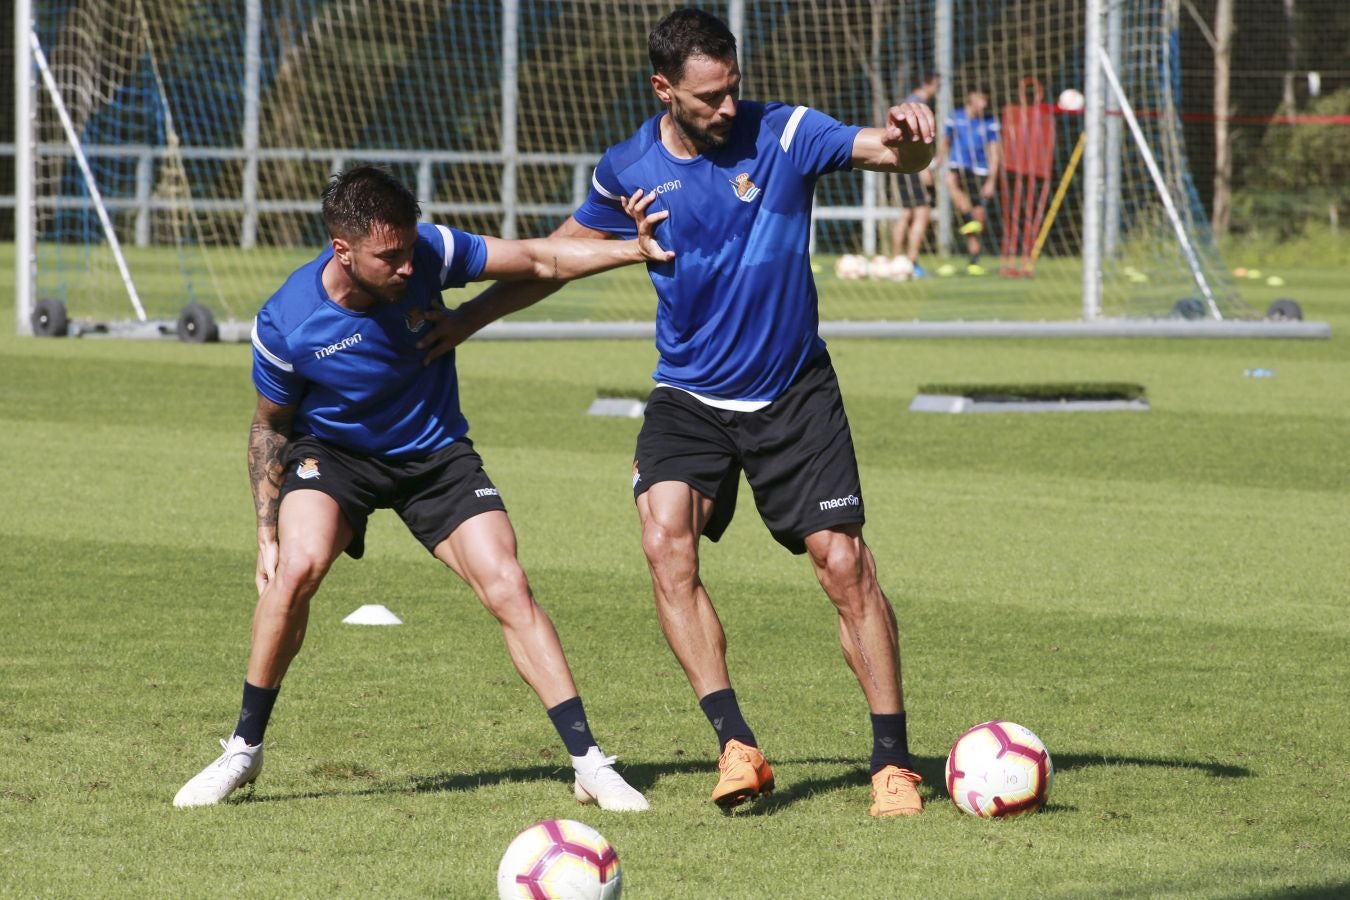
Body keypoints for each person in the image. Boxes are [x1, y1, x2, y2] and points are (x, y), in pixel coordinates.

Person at [418, 8, 935, 818]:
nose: (728, 108)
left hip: (793, 388)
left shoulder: (788, 132)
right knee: (664, 541)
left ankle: (893, 761)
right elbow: (555, 260)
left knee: (842, 565)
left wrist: (917, 135)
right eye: (708, 97)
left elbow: (893, 153)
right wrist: (463, 322)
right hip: (690, 394)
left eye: (733, 89)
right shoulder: (626, 168)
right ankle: (736, 745)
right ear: (663, 89)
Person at [172, 165, 673, 810]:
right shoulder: (289, 323)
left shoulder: (429, 249)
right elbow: (270, 427)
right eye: (390, 257)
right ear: (342, 251)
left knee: (508, 583)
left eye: (410, 248)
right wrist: (265, 533)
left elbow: (540, 258)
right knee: (296, 570)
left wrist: (631, 249)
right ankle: (243, 750)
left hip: (435, 455)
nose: (408, 266)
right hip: (336, 455)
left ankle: (588, 762)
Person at [940, 84, 1001, 275]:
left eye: (986, 100)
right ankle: (967, 218)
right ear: (971, 96)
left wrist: (992, 180)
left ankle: (973, 261)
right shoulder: (955, 116)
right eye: (981, 99)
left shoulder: (989, 121)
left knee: (978, 216)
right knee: (949, 180)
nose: (984, 104)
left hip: (980, 170)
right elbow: (945, 141)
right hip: (958, 164)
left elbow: (994, 151)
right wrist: (938, 159)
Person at [889, 71, 940, 277]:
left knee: (907, 212)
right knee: (921, 212)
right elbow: (915, 140)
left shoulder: (908, 102)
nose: (939, 89)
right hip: (912, 166)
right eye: (937, 84)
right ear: (928, 83)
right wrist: (924, 169)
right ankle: (910, 262)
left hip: (902, 163)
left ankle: (897, 261)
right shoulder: (918, 106)